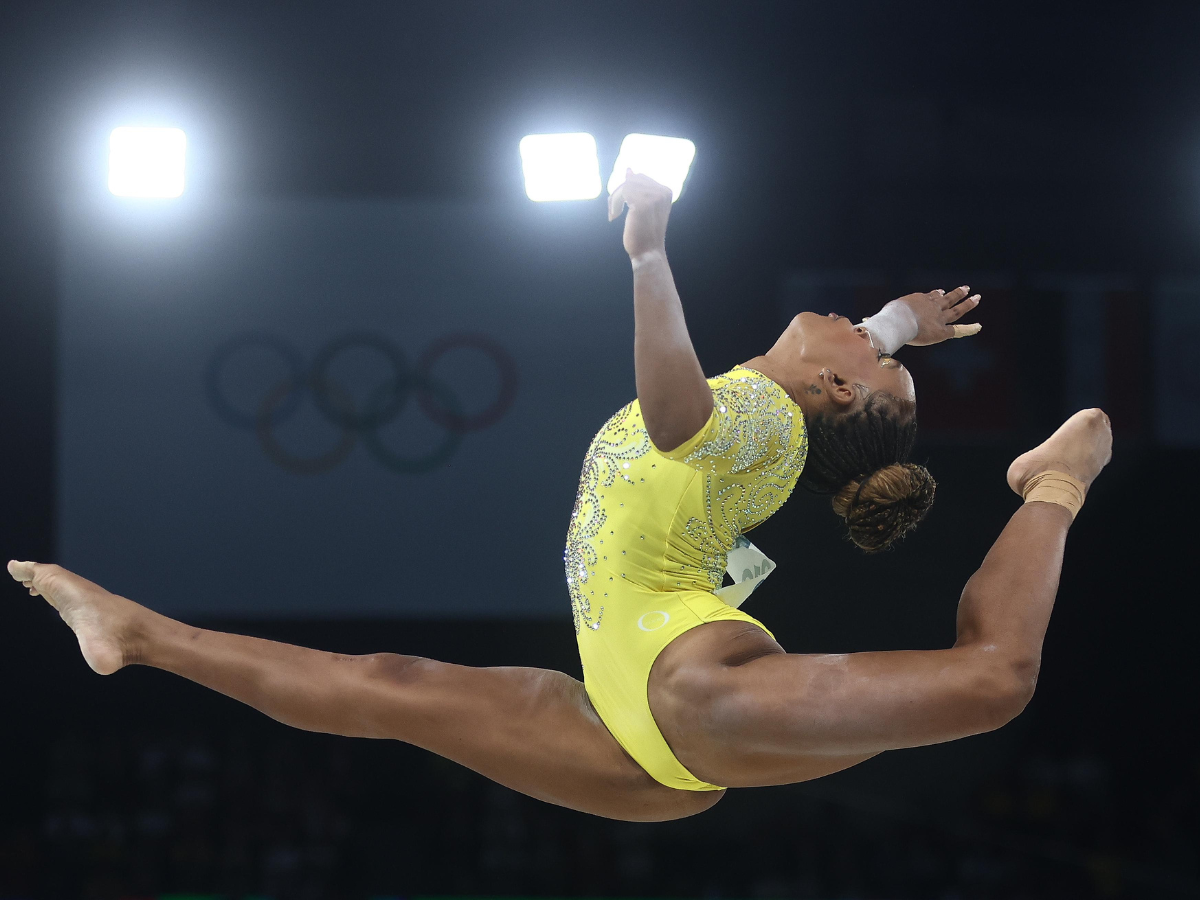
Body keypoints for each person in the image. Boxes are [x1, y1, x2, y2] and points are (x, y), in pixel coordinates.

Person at [7, 172, 1111, 823]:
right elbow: (845, 359)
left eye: (870, 349)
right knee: (384, 686)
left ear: (832, 389)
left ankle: (1054, 481)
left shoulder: (760, 420)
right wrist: (903, 329)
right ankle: (136, 636)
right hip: (639, 732)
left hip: (682, 696)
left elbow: (679, 414)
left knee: (996, 681)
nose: (855, 323)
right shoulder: (792, 406)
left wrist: (647, 252)